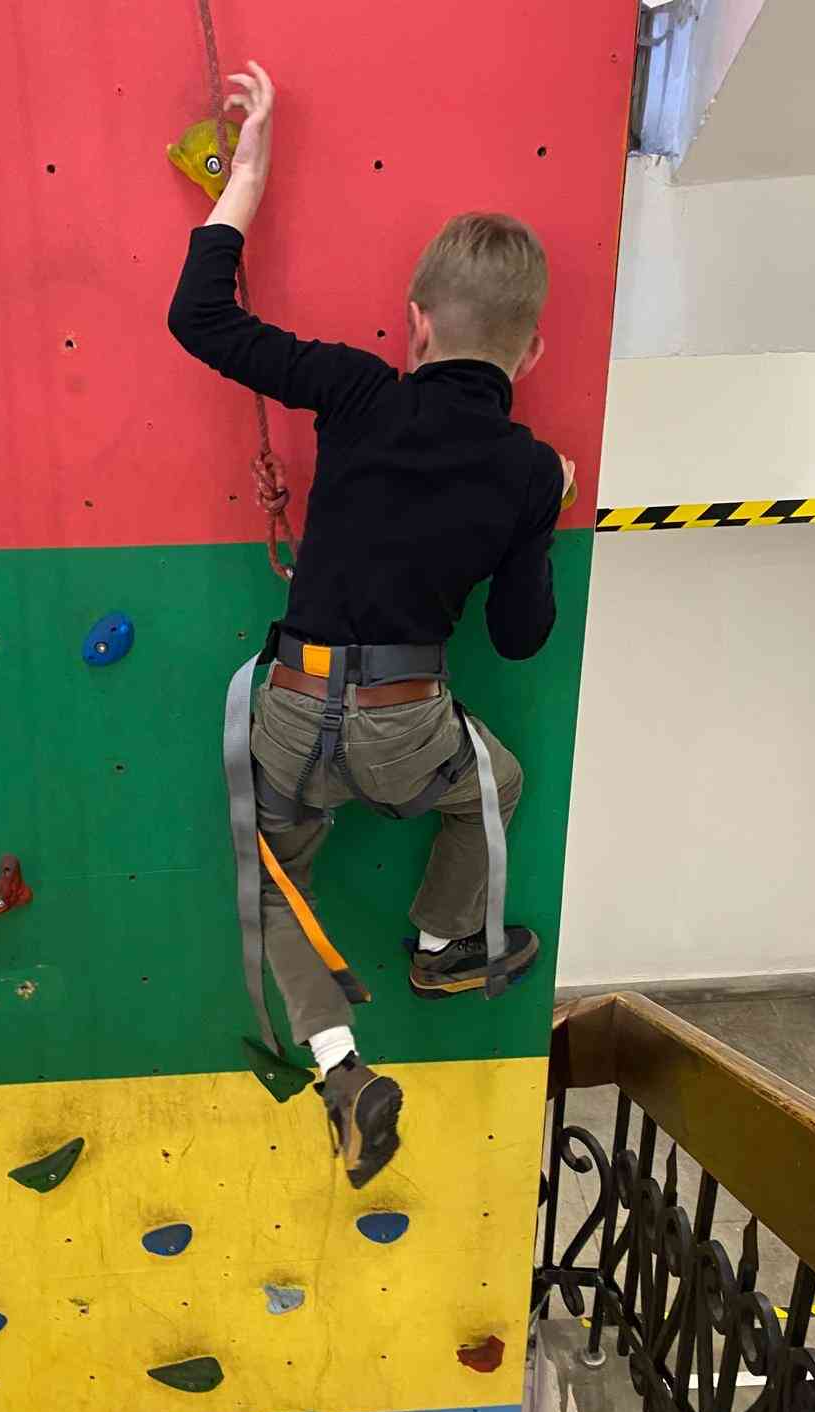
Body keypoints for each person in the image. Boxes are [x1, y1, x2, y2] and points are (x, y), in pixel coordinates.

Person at [168, 64, 571, 1186]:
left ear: (415, 325)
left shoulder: (356, 389)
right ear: (530, 353)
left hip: (293, 711)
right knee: (495, 784)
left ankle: (342, 1068)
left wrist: (249, 172)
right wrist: (543, 506)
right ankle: (443, 946)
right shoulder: (525, 469)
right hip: (408, 726)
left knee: (267, 879)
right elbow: (523, 636)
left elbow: (200, 317)